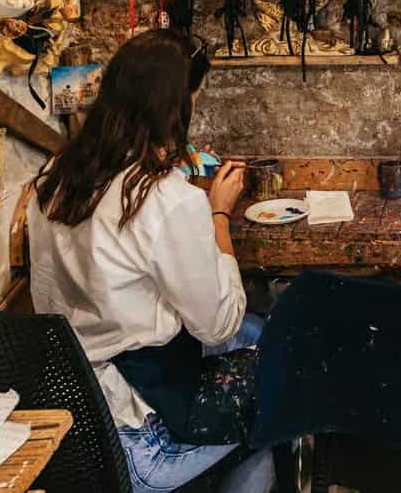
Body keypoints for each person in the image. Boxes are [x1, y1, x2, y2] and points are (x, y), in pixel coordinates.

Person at [28, 29, 274, 493]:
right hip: (140, 440)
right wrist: (218, 212)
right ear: (177, 109)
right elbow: (218, 325)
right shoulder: (166, 200)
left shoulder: (52, 178)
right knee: (288, 388)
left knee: (255, 341)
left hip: (78, 420)